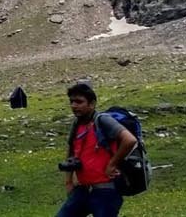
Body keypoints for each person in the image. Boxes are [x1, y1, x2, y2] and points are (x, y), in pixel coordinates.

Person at [57, 83, 137, 217]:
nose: (74, 106)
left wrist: (112, 164)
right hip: (83, 190)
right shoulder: (77, 124)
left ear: (92, 104)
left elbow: (130, 140)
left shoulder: (103, 120)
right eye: (71, 102)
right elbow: (71, 150)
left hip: (106, 191)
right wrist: (69, 181)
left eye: (79, 102)